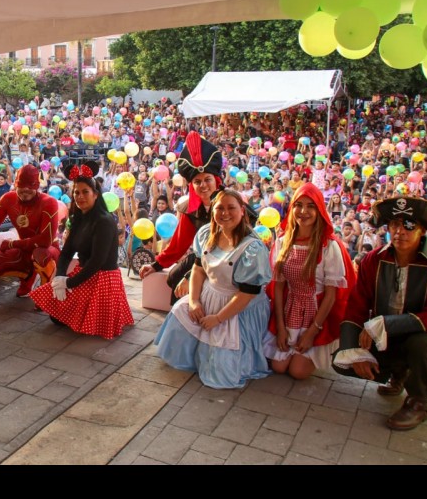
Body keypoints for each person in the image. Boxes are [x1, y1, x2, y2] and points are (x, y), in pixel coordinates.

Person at [332, 196, 427, 431]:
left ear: (423, 230)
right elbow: (356, 305)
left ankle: (418, 402)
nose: (400, 231)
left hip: (424, 341)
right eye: (394, 224)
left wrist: (387, 323)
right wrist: (353, 351)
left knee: (421, 343)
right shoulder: (373, 259)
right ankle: (399, 373)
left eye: (409, 225)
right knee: (342, 362)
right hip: (383, 338)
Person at [154, 189, 272, 389]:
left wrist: (217, 318)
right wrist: (194, 301)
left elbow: (246, 294)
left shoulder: (252, 249)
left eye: (231, 208)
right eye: (220, 208)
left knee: (220, 374)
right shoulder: (206, 234)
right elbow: (198, 269)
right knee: (181, 311)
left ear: (242, 211)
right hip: (210, 293)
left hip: (238, 306)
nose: (225, 213)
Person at [29, 161, 133, 339]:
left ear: (95, 194)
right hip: (85, 272)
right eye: (76, 192)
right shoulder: (78, 218)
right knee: (53, 311)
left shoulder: (104, 221)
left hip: (102, 279)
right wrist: (60, 276)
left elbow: (97, 262)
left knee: (59, 316)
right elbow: (67, 251)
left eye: (85, 192)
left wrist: (69, 283)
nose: (80, 196)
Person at [263, 182, 356, 379]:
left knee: (297, 372)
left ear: (319, 210)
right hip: (290, 310)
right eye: (299, 205)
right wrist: (280, 327)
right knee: (279, 367)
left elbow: (331, 295)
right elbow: (278, 287)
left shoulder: (328, 246)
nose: (303, 211)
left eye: (310, 206)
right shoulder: (283, 241)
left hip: (317, 314)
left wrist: (312, 332)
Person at [139, 131, 228, 304]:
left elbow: (227, 248)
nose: (203, 185)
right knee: (174, 277)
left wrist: (191, 276)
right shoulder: (190, 209)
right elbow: (178, 244)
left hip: (225, 265)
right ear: (191, 185)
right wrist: (156, 265)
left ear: (216, 180)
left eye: (207, 179)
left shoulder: (230, 205)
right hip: (202, 259)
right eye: (197, 181)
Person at [0, 164, 61, 297]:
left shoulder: (49, 202)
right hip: (24, 249)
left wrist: (12, 244)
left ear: (37, 187)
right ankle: (28, 276)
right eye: (22, 188)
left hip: (48, 249)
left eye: (30, 188)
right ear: (16, 185)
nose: (25, 192)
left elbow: (45, 240)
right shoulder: (8, 199)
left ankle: (46, 292)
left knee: (40, 254)